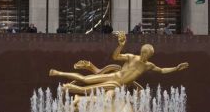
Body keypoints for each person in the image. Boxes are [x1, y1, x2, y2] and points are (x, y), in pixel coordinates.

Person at [49, 32, 189, 96]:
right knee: (85, 79)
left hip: (118, 85)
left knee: (91, 89)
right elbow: (115, 56)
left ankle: (70, 88)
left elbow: (162, 70)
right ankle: (58, 73)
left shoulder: (148, 66)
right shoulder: (131, 57)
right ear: (142, 51)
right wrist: (121, 45)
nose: (146, 55)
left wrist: (176, 68)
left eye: (148, 54)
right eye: (145, 52)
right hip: (114, 76)